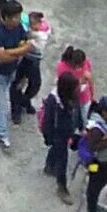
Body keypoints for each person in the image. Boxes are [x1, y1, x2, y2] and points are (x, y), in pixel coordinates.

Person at [0, 0, 33, 152]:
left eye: (18, 17)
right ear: (5, 18)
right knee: (2, 105)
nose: (18, 20)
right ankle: (3, 137)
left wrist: (11, 52)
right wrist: (19, 52)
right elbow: (1, 58)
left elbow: (27, 44)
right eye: (14, 17)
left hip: (11, 71)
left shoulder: (18, 29)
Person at [40, 72, 84, 200]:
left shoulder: (73, 95)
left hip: (67, 131)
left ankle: (49, 166)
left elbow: (78, 109)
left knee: (57, 150)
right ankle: (62, 187)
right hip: (57, 134)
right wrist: (48, 137)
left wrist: (81, 126)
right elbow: (48, 121)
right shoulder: (53, 100)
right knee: (63, 159)